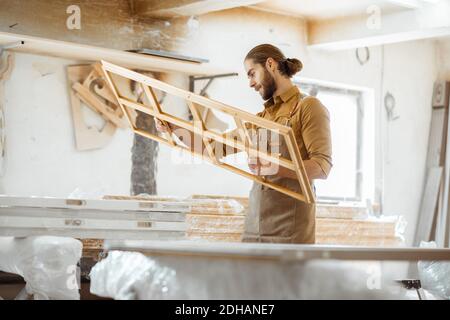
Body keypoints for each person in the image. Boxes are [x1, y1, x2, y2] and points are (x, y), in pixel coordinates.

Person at [155, 44, 332, 243]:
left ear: (270, 64)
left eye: (252, 74)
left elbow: (322, 167)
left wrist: (275, 168)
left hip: (289, 233)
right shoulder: (261, 119)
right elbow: (211, 148)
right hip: (254, 229)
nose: (250, 83)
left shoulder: (307, 107)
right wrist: (175, 127)